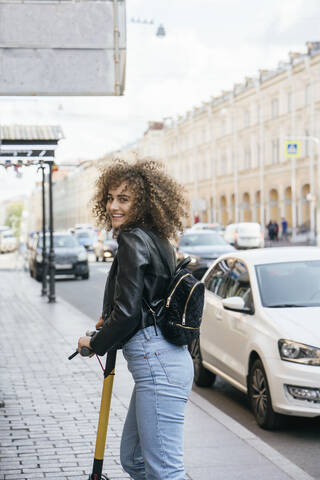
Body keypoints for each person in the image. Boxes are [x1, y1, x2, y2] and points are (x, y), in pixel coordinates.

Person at [77, 158, 193, 480]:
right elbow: (144, 300)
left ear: (142, 202)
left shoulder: (131, 239)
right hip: (163, 361)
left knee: (166, 471)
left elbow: (128, 314)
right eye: (110, 198)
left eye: (123, 199)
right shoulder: (157, 238)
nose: (114, 206)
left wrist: (95, 343)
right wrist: (109, 320)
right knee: (133, 459)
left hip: (158, 364)